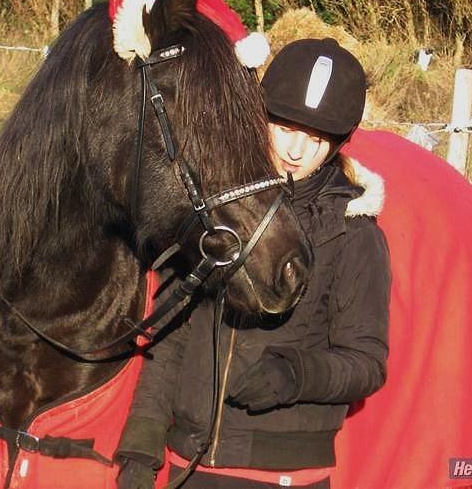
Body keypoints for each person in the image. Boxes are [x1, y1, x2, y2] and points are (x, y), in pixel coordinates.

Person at [115, 38, 391, 489]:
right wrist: (141, 450)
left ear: (336, 144)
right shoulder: (213, 215)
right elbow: (172, 342)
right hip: (189, 466)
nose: (296, 151)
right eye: (283, 129)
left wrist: (295, 374)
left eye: (316, 139)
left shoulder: (354, 234)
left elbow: (366, 361)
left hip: (283, 474)